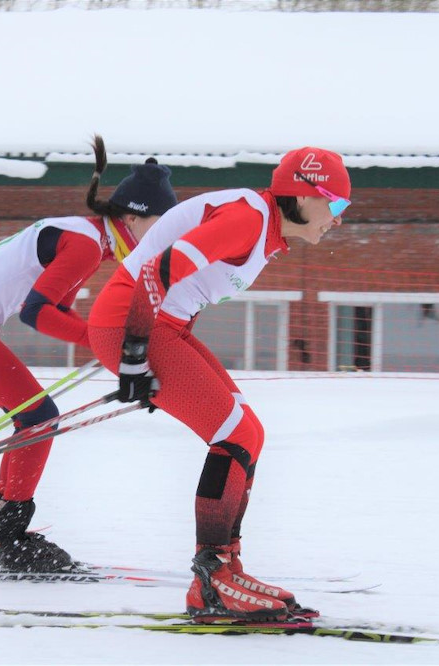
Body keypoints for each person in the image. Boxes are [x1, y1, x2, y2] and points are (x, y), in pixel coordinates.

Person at [86, 147, 352, 623]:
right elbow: (157, 270)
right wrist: (133, 355)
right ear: (305, 194)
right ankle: (211, 582)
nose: (337, 220)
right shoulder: (249, 218)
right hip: (133, 324)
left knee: (249, 434)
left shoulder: (266, 227)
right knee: (233, 434)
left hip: (166, 325)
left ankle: (226, 566)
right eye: (334, 205)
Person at [0, 136, 177, 573]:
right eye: (162, 225)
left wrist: (112, 340)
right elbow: (36, 313)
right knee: (39, 417)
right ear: (133, 218)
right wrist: (104, 341)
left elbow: (57, 310)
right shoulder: (86, 244)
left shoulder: (89, 238)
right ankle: (3, 538)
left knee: (32, 418)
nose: (166, 238)